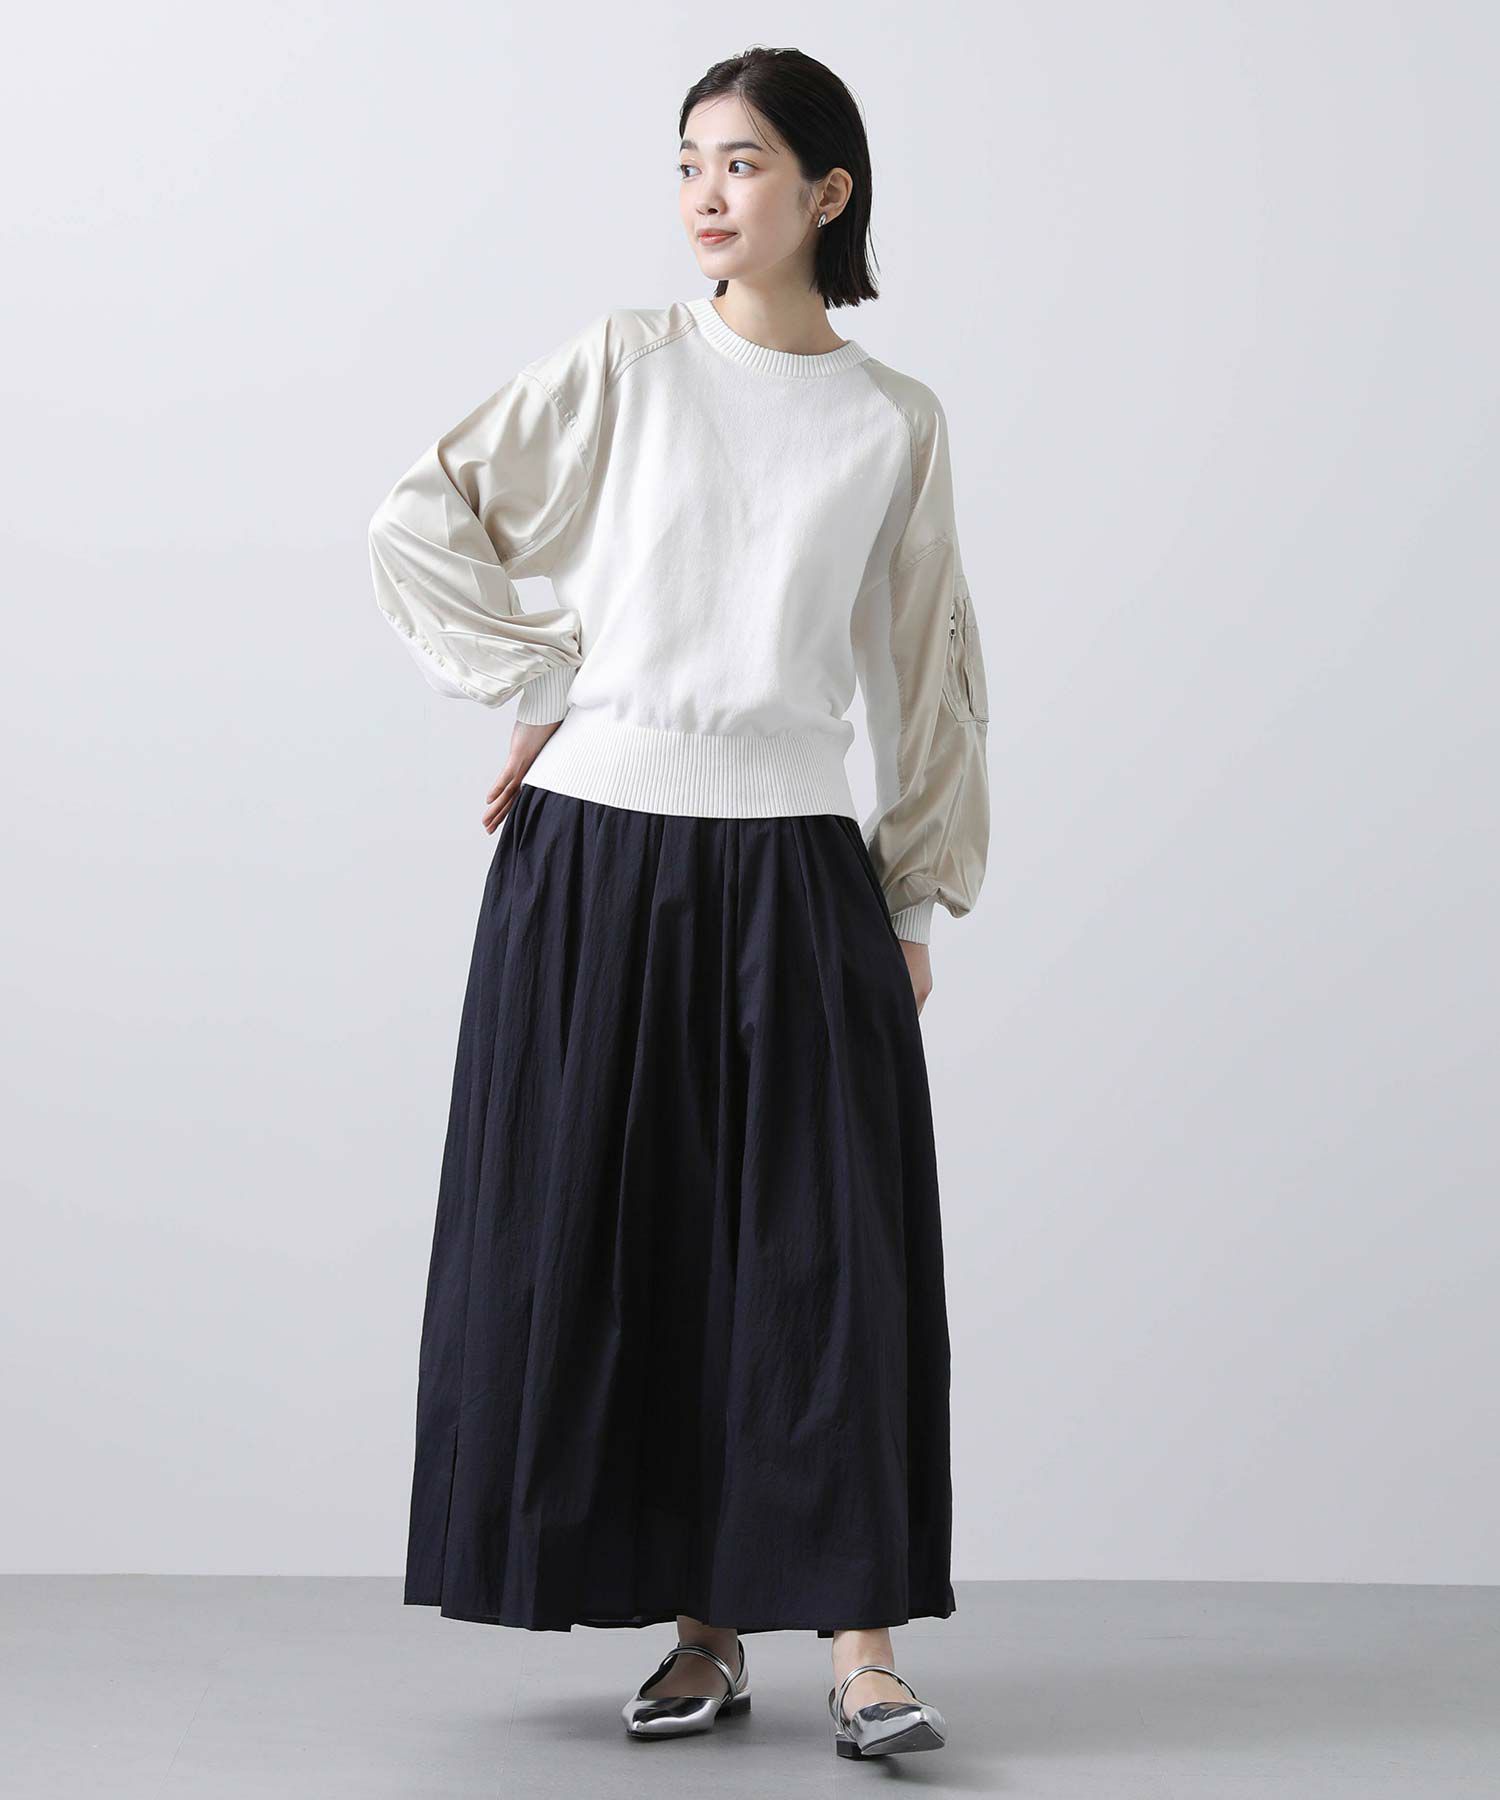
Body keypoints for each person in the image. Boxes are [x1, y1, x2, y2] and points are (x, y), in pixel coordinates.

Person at [366, 45, 990, 1765]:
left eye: (745, 163)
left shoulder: (891, 420)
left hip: (795, 858)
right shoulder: (625, 366)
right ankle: (701, 1634)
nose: (710, 194)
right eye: (691, 163)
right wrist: (544, 676)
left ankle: (862, 1650)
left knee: (826, 1259)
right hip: (597, 853)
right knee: (636, 1247)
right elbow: (422, 518)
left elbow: (926, 667)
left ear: (828, 193)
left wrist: (915, 900)